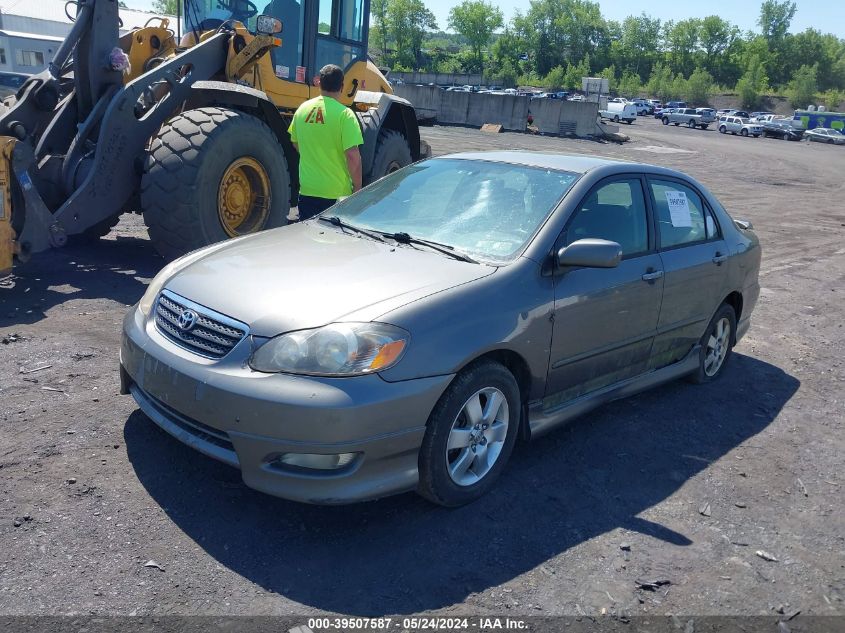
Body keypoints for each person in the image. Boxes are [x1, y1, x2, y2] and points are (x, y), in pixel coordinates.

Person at [288, 64, 363, 221]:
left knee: (309, 240)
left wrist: (314, 155)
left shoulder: (302, 109)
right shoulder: (345, 115)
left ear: (319, 84)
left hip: (308, 190)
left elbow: (295, 142)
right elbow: (352, 155)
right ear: (342, 87)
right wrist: (357, 188)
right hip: (336, 194)